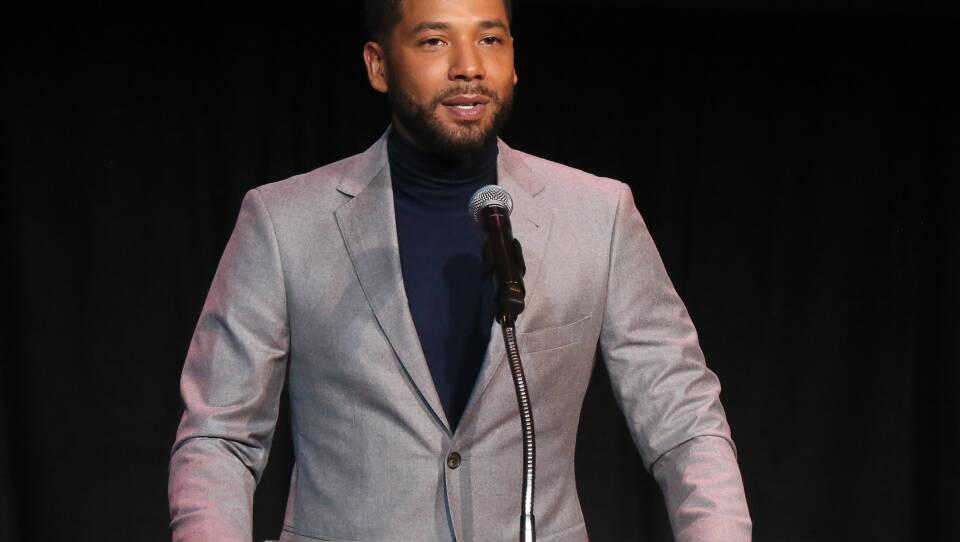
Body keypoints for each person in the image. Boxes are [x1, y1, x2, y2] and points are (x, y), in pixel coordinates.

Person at [167, 0, 752, 541]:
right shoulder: (283, 221)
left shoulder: (598, 214)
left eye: (490, 39)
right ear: (378, 65)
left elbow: (683, 418)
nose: (469, 66)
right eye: (433, 41)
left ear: (515, 60)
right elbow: (219, 436)